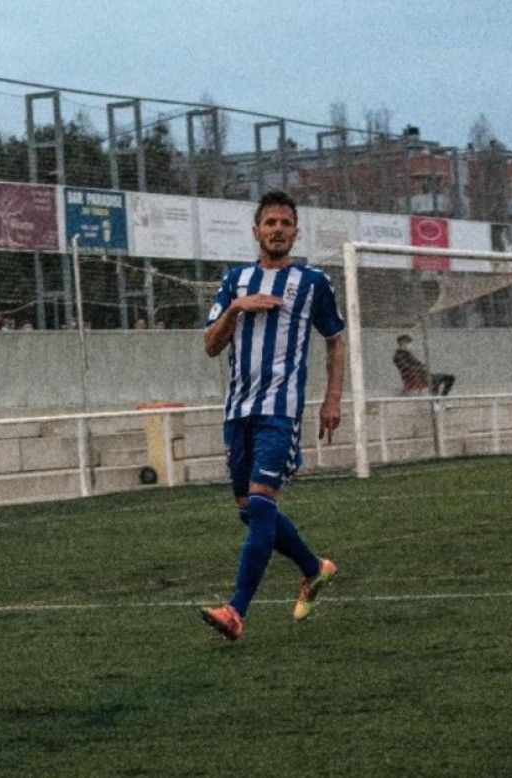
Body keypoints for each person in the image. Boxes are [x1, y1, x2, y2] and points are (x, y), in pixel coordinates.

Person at [198, 190, 344, 642]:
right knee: (249, 512)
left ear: (295, 231)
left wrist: (332, 398)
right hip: (238, 410)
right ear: (256, 231)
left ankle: (236, 610)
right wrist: (238, 308)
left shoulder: (313, 283)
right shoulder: (235, 282)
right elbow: (210, 345)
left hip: (280, 411)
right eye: (270, 223)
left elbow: (335, 339)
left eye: (286, 222)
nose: (277, 229)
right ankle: (312, 567)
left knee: (262, 503)